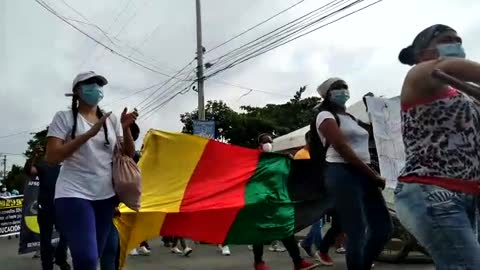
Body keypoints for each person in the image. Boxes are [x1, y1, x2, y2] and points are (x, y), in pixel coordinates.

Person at [394, 24, 480, 269]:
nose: (456, 44)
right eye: (447, 39)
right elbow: (447, 67)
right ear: (422, 53)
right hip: (432, 192)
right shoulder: (420, 74)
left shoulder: (465, 96)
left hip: (469, 194)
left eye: (458, 39)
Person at [46, 71, 138, 270]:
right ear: (77, 91)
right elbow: (52, 157)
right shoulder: (64, 118)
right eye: (90, 84)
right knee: (87, 259)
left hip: (105, 196)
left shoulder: (111, 120)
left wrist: (126, 128)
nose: (96, 87)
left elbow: (128, 154)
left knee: (93, 258)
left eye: (99, 84)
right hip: (73, 193)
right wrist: (88, 134)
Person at [315, 77, 392, 269]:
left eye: (345, 86)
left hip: (363, 172)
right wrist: (373, 175)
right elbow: (342, 147)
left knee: (383, 228)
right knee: (357, 230)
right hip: (342, 173)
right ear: (327, 94)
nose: (343, 90)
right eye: (337, 88)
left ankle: (363, 265)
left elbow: (378, 132)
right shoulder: (325, 116)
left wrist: (375, 110)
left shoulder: (351, 118)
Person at [251, 133, 318, 270]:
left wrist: (290, 160)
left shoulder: (277, 159)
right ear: (259, 145)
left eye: (270, 141)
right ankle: (258, 262)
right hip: (259, 200)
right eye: (265, 141)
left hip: (277, 201)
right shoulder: (254, 160)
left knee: (286, 231)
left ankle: (298, 262)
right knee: (259, 232)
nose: (268, 144)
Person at [27, 146, 70, 270]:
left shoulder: (67, 167)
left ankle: (61, 258)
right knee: (45, 237)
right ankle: (47, 264)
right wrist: (34, 156)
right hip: (45, 206)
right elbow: (30, 171)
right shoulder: (43, 165)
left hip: (62, 206)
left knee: (66, 234)